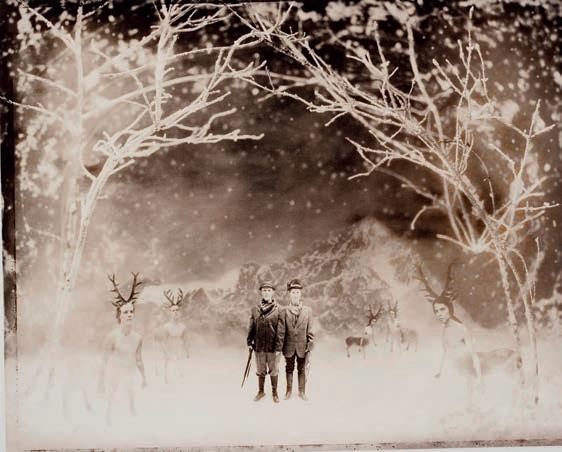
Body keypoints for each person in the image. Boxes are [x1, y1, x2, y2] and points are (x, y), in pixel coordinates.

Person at [98, 273, 147, 425]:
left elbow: (139, 359)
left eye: (131, 311)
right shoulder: (112, 336)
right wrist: (100, 381)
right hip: (115, 373)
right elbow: (104, 360)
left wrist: (144, 377)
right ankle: (107, 418)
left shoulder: (137, 337)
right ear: (119, 315)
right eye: (126, 312)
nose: (129, 314)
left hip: (130, 373)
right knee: (112, 399)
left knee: (131, 396)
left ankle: (132, 418)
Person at [275, 279, 315, 401]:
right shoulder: (284, 311)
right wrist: (279, 348)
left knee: (302, 369)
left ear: (301, 293)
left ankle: (302, 392)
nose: (295, 295)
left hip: (303, 347)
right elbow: (281, 331)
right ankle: (288, 391)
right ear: (289, 294)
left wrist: (310, 346)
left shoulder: (308, 311)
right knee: (289, 368)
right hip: (288, 346)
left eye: (297, 292)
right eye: (293, 292)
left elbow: (310, 331)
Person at [246, 281, 282, 403]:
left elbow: (281, 331)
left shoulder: (279, 310)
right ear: (261, 292)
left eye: (268, 290)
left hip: (273, 347)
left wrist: (278, 348)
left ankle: (274, 393)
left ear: (273, 293)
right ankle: (261, 392)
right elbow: (252, 327)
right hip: (259, 346)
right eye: (264, 290)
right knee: (260, 370)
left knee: (274, 370)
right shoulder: (255, 309)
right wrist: (249, 342)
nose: (266, 293)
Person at [161, 288, 190, 383]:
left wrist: (187, 352)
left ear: (179, 312)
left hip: (180, 352)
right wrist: (167, 354)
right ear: (170, 312)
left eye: (177, 310)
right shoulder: (166, 327)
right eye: (173, 310)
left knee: (181, 373)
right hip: (170, 352)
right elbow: (163, 342)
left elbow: (185, 341)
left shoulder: (183, 327)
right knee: (170, 372)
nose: (175, 312)